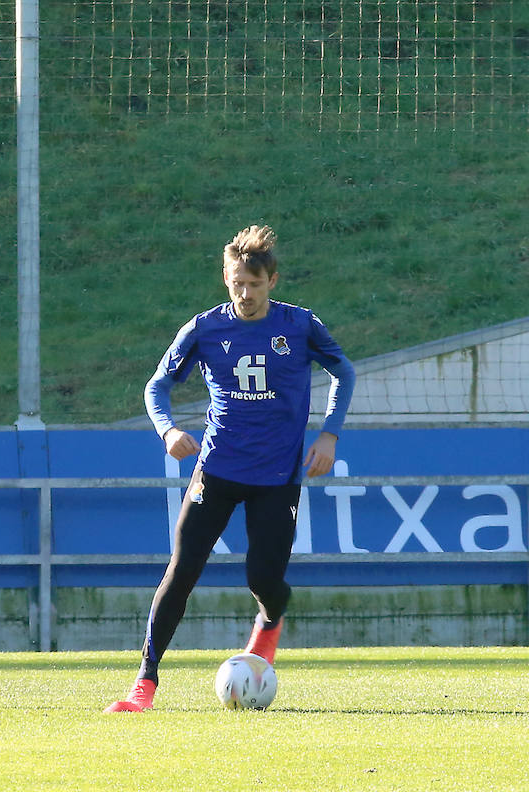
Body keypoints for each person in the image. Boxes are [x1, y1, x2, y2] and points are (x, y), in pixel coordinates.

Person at [105, 225, 354, 712]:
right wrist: (168, 430)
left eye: (255, 285)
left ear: (273, 281)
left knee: (263, 579)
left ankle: (268, 621)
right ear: (226, 277)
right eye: (237, 283)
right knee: (181, 572)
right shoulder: (204, 329)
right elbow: (156, 387)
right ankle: (144, 684)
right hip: (215, 470)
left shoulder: (300, 326)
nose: (245, 294)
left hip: (277, 476)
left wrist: (329, 432)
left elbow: (343, 370)